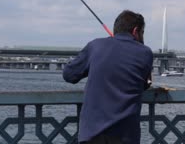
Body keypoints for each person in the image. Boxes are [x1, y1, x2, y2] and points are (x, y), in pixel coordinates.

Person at [63, 10, 154, 144]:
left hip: (91, 135)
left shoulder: (96, 46)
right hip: (125, 136)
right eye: (142, 33)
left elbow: (69, 75)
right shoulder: (145, 53)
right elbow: (144, 84)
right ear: (135, 31)